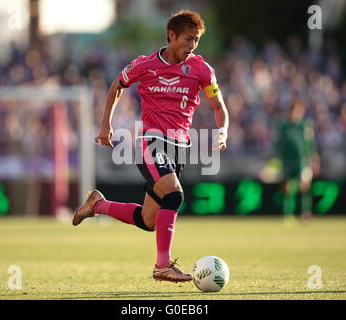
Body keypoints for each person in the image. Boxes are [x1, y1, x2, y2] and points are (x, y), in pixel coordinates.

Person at [72, 10, 229, 283]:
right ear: (171, 36)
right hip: (151, 143)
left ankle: (98, 205)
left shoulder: (202, 69)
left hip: (179, 148)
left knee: (148, 220)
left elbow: (219, 107)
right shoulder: (144, 65)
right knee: (174, 196)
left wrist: (223, 130)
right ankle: (163, 266)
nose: (192, 46)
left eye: (196, 40)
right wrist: (105, 125)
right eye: (188, 39)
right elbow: (116, 86)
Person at [275, 98, 320, 223]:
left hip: (302, 161)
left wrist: (314, 159)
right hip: (288, 161)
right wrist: (276, 160)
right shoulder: (284, 127)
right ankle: (288, 215)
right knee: (288, 188)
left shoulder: (304, 126)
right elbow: (278, 145)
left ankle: (305, 213)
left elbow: (310, 144)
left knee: (304, 186)